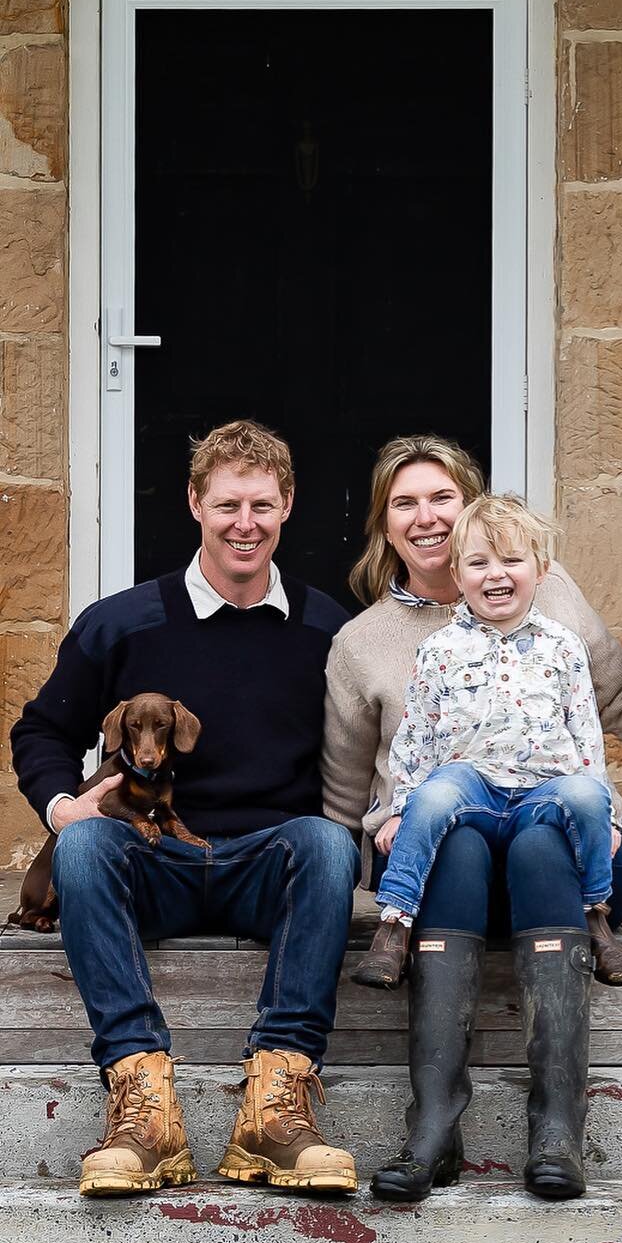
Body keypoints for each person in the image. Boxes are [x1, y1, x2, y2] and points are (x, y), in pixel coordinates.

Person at [322, 434, 622, 1203]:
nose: (426, 517)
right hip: (442, 854)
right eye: (405, 504)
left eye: (442, 498)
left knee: (543, 839)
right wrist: (369, 855)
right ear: (384, 527)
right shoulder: (362, 643)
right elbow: (349, 791)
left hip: (560, 848)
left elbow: (619, 703)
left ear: (475, 511)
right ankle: (433, 1129)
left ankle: (556, 1129)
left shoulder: (551, 605)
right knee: (452, 839)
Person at [9, 420, 359, 1199]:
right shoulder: (121, 622)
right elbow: (42, 729)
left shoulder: (328, 628)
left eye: (262, 505)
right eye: (228, 503)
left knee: (330, 845)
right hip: (150, 866)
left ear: (289, 506)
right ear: (196, 504)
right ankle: (143, 1107)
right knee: (86, 846)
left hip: (266, 864)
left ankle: (279, 1103)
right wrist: (62, 807)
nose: (246, 523)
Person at [354, 493, 622, 983]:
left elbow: (586, 734)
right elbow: (415, 738)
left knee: (587, 794)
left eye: (512, 560)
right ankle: (394, 927)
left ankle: (595, 917)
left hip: (542, 793)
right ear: (458, 576)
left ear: (540, 570)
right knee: (435, 792)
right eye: (478, 562)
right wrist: (400, 809)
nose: (495, 574)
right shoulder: (438, 650)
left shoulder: (564, 647)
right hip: (472, 790)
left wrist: (606, 818)